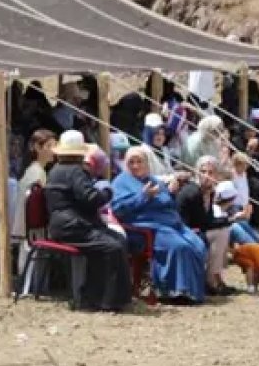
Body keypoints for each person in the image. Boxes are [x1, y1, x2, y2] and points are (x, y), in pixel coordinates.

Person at [43, 131, 133, 311]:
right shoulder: (75, 171)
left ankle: (108, 297)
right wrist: (107, 192)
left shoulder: (56, 170)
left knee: (118, 240)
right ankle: (104, 301)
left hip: (67, 225)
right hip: (72, 227)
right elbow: (91, 198)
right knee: (112, 247)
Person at [110, 146, 208, 303]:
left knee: (198, 244)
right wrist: (143, 196)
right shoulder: (120, 182)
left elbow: (167, 202)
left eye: (139, 161)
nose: (135, 165)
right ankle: (171, 291)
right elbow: (118, 209)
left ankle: (193, 291)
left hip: (171, 225)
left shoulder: (154, 180)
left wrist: (170, 194)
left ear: (147, 163)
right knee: (179, 246)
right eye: (131, 162)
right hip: (144, 228)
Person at [175, 156, 238, 295]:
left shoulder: (209, 192)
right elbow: (203, 222)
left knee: (224, 230)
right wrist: (231, 219)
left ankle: (215, 276)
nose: (207, 176)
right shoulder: (194, 192)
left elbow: (208, 220)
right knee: (221, 233)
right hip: (184, 232)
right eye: (203, 171)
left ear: (217, 175)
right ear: (197, 173)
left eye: (211, 172)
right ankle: (211, 280)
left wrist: (227, 221)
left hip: (196, 229)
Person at [19, 129, 56, 199]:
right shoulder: (36, 172)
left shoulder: (36, 169)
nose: (53, 150)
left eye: (54, 146)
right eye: (49, 146)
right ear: (37, 147)